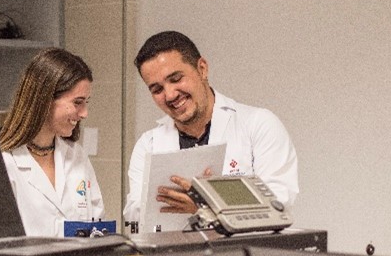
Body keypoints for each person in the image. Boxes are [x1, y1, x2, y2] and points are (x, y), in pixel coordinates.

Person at [123, 31, 298, 226]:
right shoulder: (148, 145)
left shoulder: (259, 125)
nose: (170, 95)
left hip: (243, 253)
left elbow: (278, 202)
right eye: (157, 89)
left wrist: (207, 203)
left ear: (202, 69)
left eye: (176, 79)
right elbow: (133, 215)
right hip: (174, 253)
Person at [0, 47, 104, 237]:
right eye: (77, 102)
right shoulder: (5, 162)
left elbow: (98, 223)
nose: (84, 113)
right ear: (45, 99)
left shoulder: (76, 155)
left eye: (86, 102)